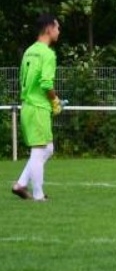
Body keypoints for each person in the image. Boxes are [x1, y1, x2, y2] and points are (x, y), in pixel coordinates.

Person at [11, 14, 62, 202]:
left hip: (28, 105)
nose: (59, 31)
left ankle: (21, 184)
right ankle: (39, 195)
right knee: (39, 150)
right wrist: (55, 101)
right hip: (38, 107)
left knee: (47, 149)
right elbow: (46, 84)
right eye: (57, 27)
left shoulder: (29, 51)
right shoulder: (47, 54)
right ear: (49, 29)